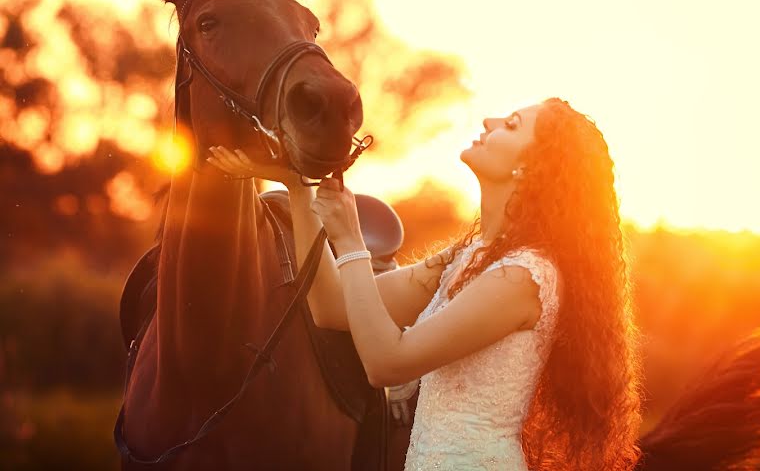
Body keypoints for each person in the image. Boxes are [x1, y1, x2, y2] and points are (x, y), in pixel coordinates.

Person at [207, 97, 642, 471]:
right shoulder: (466, 258)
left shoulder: (524, 277)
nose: (490, 123)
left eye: (511, 125)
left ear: (532, 167)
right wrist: (299, 187)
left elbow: (386, 364)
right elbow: (332, 307)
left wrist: (350, 239)